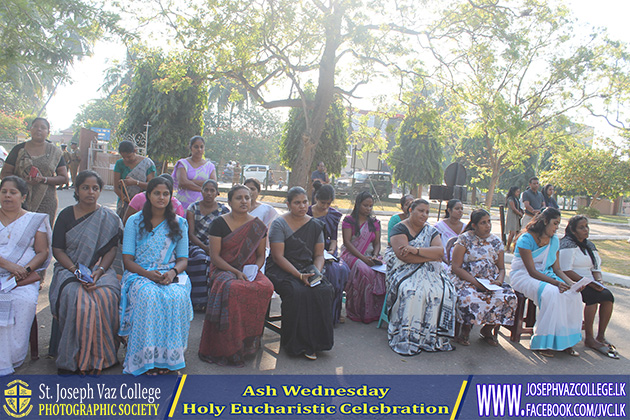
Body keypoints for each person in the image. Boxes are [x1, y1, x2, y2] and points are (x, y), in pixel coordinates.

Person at [49, 171, 122, 374]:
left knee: (106, 295)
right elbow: (58, 250)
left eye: (95, 188)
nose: (91, 192)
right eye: (85, 187)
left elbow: (111, 250)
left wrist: (98, 272)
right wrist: (75, 271)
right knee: (77, 296)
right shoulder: (65, 215)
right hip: (69, 268)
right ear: (77, 190)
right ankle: (74, 356)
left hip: (100, 268)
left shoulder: (109, 217)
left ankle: (103, 356)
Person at [120, 177, 192, 375]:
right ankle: (147, 360)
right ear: (148, 195)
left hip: (170, 273)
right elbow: (127, 261)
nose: (161, 197)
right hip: (139, 273)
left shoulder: (180, 223)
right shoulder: (134, 222)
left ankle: (168, 360)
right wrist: (148, 274)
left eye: (166, 193)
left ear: (171, 196)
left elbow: (183, 259)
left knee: (176, 297)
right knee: (149, 297)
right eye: (157, 193)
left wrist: (172, 272)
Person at [198, 185, 274, 366]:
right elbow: (215, 257)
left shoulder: (258, 225)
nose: (244, 201)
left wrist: (254, 270)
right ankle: (229, 345)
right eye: (239, 198)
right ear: (230, 202)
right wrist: (235, 272)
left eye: (247, 198)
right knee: (234, 288)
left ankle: (249, 342)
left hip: (248, 269)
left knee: (266, 286)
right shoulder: (219, 223)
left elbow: (261, 255)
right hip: (224, 269)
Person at [266, 187, 334, 360]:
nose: (302, 206)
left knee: (324, 290)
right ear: (288, 204)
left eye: (304, 202)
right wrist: (298, 275)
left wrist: (316, 273)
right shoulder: (279, 224)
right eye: (297, 203)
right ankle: (295, 344)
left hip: (307, 268)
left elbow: (319, 255)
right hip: (281, 268)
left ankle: (318, 343)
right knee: (297, 291)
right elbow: (277, 256)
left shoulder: (315, 224)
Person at [509, 208, 583, 357]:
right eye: (555, 223)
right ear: (544, 221)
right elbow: (532, 272)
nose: (556, 228)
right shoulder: (526, 239)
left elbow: (557, 269)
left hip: (546, 275)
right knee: (552, 293)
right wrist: (557, 284)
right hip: (523, 276)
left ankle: (565, 341)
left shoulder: (554, 240)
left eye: (558, 224)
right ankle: (543, 343)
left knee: (573, 295)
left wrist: (571, 283)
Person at [386, 199, 456, 355]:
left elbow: (440, 252)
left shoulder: (431, 231)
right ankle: (408, 337)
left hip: (430, 271)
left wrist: (416, 250)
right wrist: (428, 255)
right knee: (412, 291)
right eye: (421, 211)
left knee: (444, 291)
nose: (424, 215)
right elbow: (404, 257)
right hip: (403, 271)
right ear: (411, 210)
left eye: (427, 212)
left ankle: (431, 337)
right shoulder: (399, 229)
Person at [0, 176, 51, 376]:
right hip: (10, 270)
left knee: (25, 302)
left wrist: (26, 270)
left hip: (20, 279)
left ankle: (12, 357)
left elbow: (42, 252)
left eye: (13, 192)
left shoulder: (33, 220)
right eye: (4, 191)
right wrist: (9, 265)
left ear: (23, 197)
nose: (7, 196)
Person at [449, 209, 516, 347]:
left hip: (490, 281)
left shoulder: (496, 241)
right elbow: (456, 267)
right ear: (474, 225)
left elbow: (502, 268)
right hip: (467, 280)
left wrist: (499, 281)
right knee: (468, 297)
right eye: (483, 223)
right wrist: (475, 282)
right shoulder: (464, 239)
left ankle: (487, 329)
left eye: (489, 222)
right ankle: (465, 330)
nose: (488, 226)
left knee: (508, 297)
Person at [560, 216, 618, 359]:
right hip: (573, 281)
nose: (586, 230)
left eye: (587, 226)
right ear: (573, 230)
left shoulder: (589, 245)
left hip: (591, 281)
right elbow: (566, 270)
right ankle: (589, 338)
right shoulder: (567, 244)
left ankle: (601, 336)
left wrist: (598, 280)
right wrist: (588, 283)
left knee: (607, 296)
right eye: (581, 227)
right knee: (592, 297)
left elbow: (596, 268)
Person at [0, 118, 68, 224]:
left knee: (42, 234)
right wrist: (22, 181)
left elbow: (64, 178)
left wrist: (43, 179)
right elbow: (4, 174)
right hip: (19, 199)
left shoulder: (55, 152)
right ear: (30, 130)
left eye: (43, 127)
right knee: (18, 232)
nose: (38, 129)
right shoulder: (18, 149)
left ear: (48, 132)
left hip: (46, 200)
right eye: (35, 126)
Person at [340, 191, 386, 323]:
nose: (368, 208)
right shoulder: (349, 221)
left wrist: (375, 256)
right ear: (358, 204)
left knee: (381, 273)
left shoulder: (374, 222)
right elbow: (347, 243)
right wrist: (363, 259)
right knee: (365, 271)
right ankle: (358, 311)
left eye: (371, 206)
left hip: (370, 255)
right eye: (365, 205)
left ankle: (375, 312)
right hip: (351, 254)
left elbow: (377, 243)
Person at [307, 184, 350, 324]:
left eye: (328, 203)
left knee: (341, 271)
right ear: (316, 198)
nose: (325, 206)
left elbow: (333, 239)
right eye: (322, 203)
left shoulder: (333, 215)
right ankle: (318, 314)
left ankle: (333, 314)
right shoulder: (307, 213)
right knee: (328, 273)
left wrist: (331, 251)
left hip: (328, 253)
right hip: (309, 252)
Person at [186, 179, 229, 311]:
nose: (209, 193)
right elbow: (191, 234)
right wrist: (205, 248)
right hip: (195, 245)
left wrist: (214, 249)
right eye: (206, 190)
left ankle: (213, 301)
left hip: (217, 246)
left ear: (217, 193)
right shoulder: (193, 208)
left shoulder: (224, 210)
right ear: (201, 191)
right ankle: (199, 301)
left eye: (212, 190)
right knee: (201, 259)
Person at [113, 140, 156, 218]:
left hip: (143, 203)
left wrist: (135, 182)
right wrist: (129, 202)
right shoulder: (119, 164)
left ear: (135, 151)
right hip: (124, 204)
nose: (126, 159)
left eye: (129, 156)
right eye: (123, 157)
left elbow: (152, 186)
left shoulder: (147, 163)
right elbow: (116, 188)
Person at [174, 136, 217, 210]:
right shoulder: (182, 163)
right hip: (183, 203)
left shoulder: (210, 166)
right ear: (191, 148)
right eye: (196, 147)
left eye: (201, 147)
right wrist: (202, 189)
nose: (199, 150)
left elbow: (213, 184)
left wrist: (189, 181)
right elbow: (183, 182)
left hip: (203, 204)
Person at [505, 186, 523, 253]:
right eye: (517, 191)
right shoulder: (510, 199)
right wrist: (520, 214)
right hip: (512, 216)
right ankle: (508, 247)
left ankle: (515, 247)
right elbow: (513, 208)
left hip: (516, 216)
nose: (518, 193)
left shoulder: (516, 199)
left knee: (517, 232)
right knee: (512, 232)